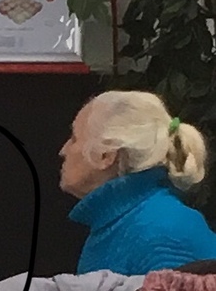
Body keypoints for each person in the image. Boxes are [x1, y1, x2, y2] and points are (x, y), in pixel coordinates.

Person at [60, 90, 216, 274]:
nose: (63, 151)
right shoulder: (124, 223)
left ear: (106, 155)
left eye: (74, 138)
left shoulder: (161, 230)